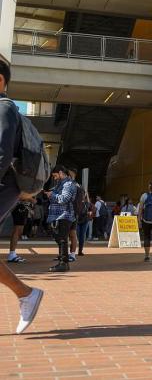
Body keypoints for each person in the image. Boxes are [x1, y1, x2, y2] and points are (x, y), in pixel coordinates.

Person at [0, 59, 43, 334]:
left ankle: (26, 293)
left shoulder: (3, 109)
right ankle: (26, 293)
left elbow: (2, 154)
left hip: (4, 185)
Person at [46, 165, 77, 272]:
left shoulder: (68, 184)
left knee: (63, 239)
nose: (54, 178)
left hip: (64, 215)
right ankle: (62, 261)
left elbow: (64, 199)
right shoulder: (60, 184)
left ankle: (64, 263)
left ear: (60, 172)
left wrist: (52, 195)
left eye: (55, 176)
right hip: (57, 215)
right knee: (60, 238)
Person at [67, 167, 79, 262]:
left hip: (72, 213)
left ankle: (72, 254)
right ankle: (70, 254)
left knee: (72, 234)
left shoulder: (75, 186)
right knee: (69, 234)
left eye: (69, 174)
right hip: (69, 213)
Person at [76, 191, 90, 256]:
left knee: (82, 236)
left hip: (85, 220)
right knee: (78, 235)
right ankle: (74, 250)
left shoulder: (87, 203)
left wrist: (90, 212)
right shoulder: (76, 202)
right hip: (77, 221)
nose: (82, 195)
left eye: (83, 194)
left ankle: (80, 250)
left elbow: (90, 209)